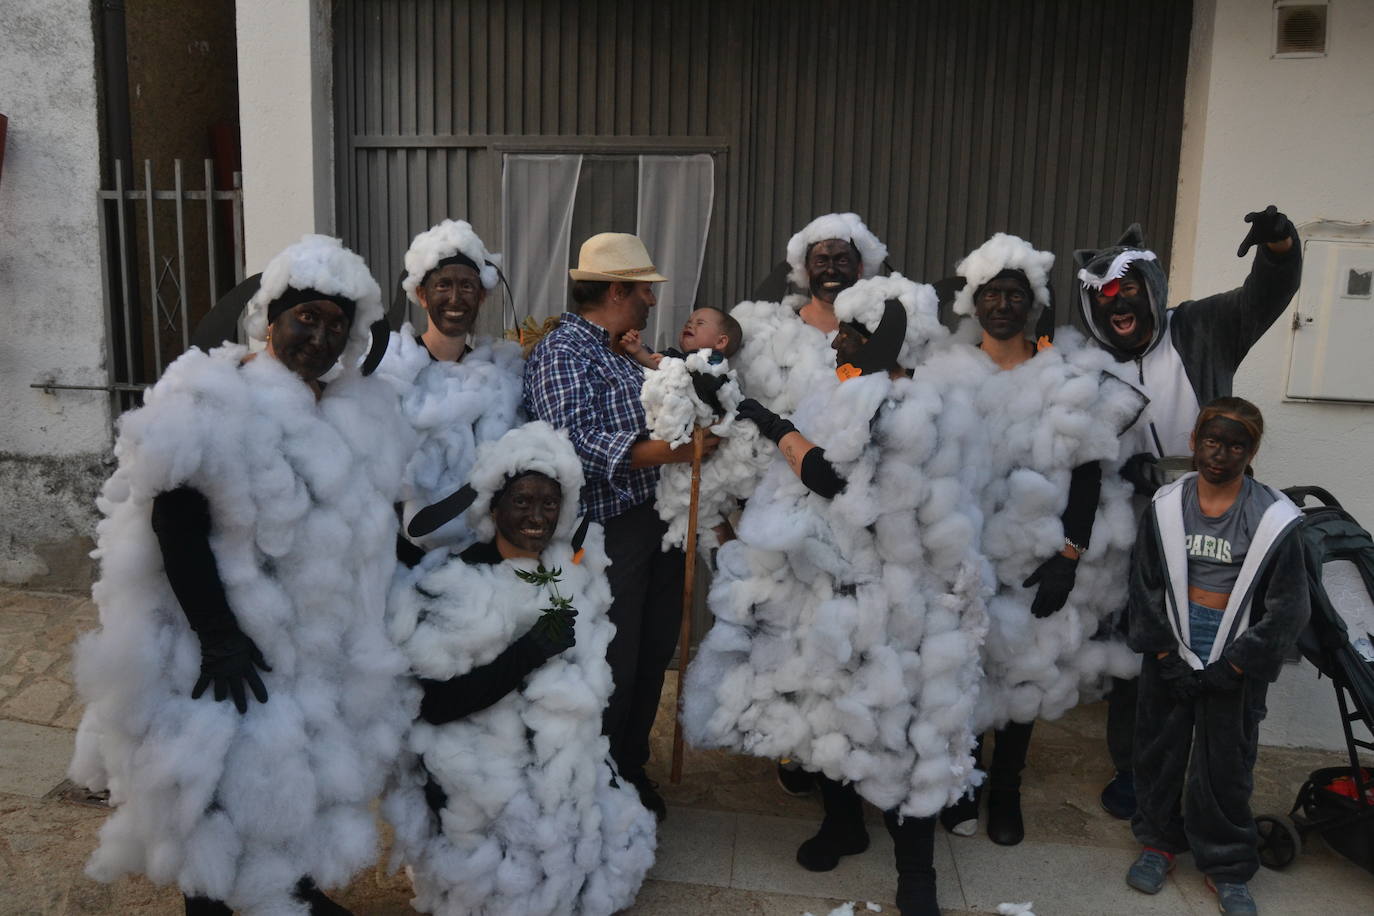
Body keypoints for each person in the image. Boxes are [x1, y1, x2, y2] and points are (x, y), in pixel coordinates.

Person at [68, 235, 415, 916]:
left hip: (307, 644)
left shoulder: (349, 407)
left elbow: (369, 525)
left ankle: (291, 888)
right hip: (230, 644)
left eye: (335, 325)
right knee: (221, 792)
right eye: (305, 318)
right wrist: (219, 633)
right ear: (271, 317)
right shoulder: (216, 396)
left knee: (293, 776)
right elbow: (175, 520)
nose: (319, 336)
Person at [684, 274, 988, 915]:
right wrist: (750, 412)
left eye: (850, 331)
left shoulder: (907, 405)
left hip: (904, 595)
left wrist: (770, 422)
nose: (836, 341)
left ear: (884, 340)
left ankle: (917, 873)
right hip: (835, 580)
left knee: (907, 726)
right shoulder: (847, 390)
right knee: (828, 702)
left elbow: (829, 474)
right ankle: (843, 822)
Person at [1074, 206, 1303, 819]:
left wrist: (1279, 247)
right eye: (1104, 300)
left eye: (1127, 292)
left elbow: (1266, 294)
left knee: (1216, 638)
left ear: (1150, 290)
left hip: (1214, 508)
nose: (1116, 307)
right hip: (1130, 523)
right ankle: (1136, 770)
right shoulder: (1085, 363)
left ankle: (1213, 773)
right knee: (1139, 647)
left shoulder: (1202, 326)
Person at [383, 422, 656, 916]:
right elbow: (432, 705)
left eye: (548, 503)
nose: (536, 515)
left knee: (603, 857)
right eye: (522, 501)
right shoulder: (453, 581)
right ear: (494, 508)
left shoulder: (566, 571)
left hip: (550, 759)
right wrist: (527, 653)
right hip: (477, 769)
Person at [937, 235, 1146, 846]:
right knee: (967, 668)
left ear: (1033, 305)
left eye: (1015, 294)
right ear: (974, 304)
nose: (1003, 303)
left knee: (1023, 669)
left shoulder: (1064, 375)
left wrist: (1070, 553)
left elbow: (1087, 470)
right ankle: (965, 781)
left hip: (1039, 553)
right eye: (992, 293)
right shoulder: (948, 372)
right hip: (964, 552)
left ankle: (1006, 789)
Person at [523, 232, 719, 819]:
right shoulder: (563, 352)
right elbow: (573, 443)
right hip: (605, 533)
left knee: (654, 646)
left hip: (652, 521)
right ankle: (601, 777)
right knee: (615, 656)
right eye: (643, 291)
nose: (650, 302)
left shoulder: (623, 349)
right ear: (615, 290)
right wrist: (674, 453)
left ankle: (630, 765)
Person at [1124, 398, 1309, 916]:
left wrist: (1236, 665)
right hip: (1173, 645)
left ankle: (1226, 864)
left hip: (1237, 651)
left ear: (1251, 452)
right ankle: (1158, 844)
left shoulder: (1273, 518)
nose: (1220, 455)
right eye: (1211, 441)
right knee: (1160, 749)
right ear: (1193, 442)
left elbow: (1288, 607)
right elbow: (1144, 584)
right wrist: (1163, 651)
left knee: (1226, 762)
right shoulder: (1166, 507)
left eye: (1234, 446)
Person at [373, 219, 524, 559]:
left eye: (467, 287)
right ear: (422, 296)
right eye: (443, 286)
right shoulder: (390, 371)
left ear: (482, 296)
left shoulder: (501, 377)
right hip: (399, 556)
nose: (455, 299)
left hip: (478, 557)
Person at [730, 212, 888, 416]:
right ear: (806, 270)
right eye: (821, 262)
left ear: (859, 268)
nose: (831, 271)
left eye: (842, 261)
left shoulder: (878, 333)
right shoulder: (770, 330)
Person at [620, 306, 743, 369]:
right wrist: (638, 351)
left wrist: (669, 364)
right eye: (688, 322)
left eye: (700, 323)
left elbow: (694, 375)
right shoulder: (672, 356)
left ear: (721, 341)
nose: (689, 325)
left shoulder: (715, 363)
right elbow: (657, 367)